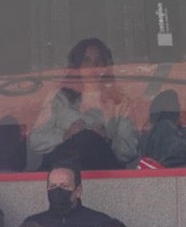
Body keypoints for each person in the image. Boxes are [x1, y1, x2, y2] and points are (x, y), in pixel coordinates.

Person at [28, 40, 140, 171]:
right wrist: (65, 135)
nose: (93, 66)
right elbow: (36, 140)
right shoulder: (59, 98)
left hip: (104, 172)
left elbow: (131, 150)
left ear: (105, 66)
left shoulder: (119, 101)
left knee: (89, 139)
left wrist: (107, 138)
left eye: (99, 60)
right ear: (77, 66)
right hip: (63, 171)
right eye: (86, 60)